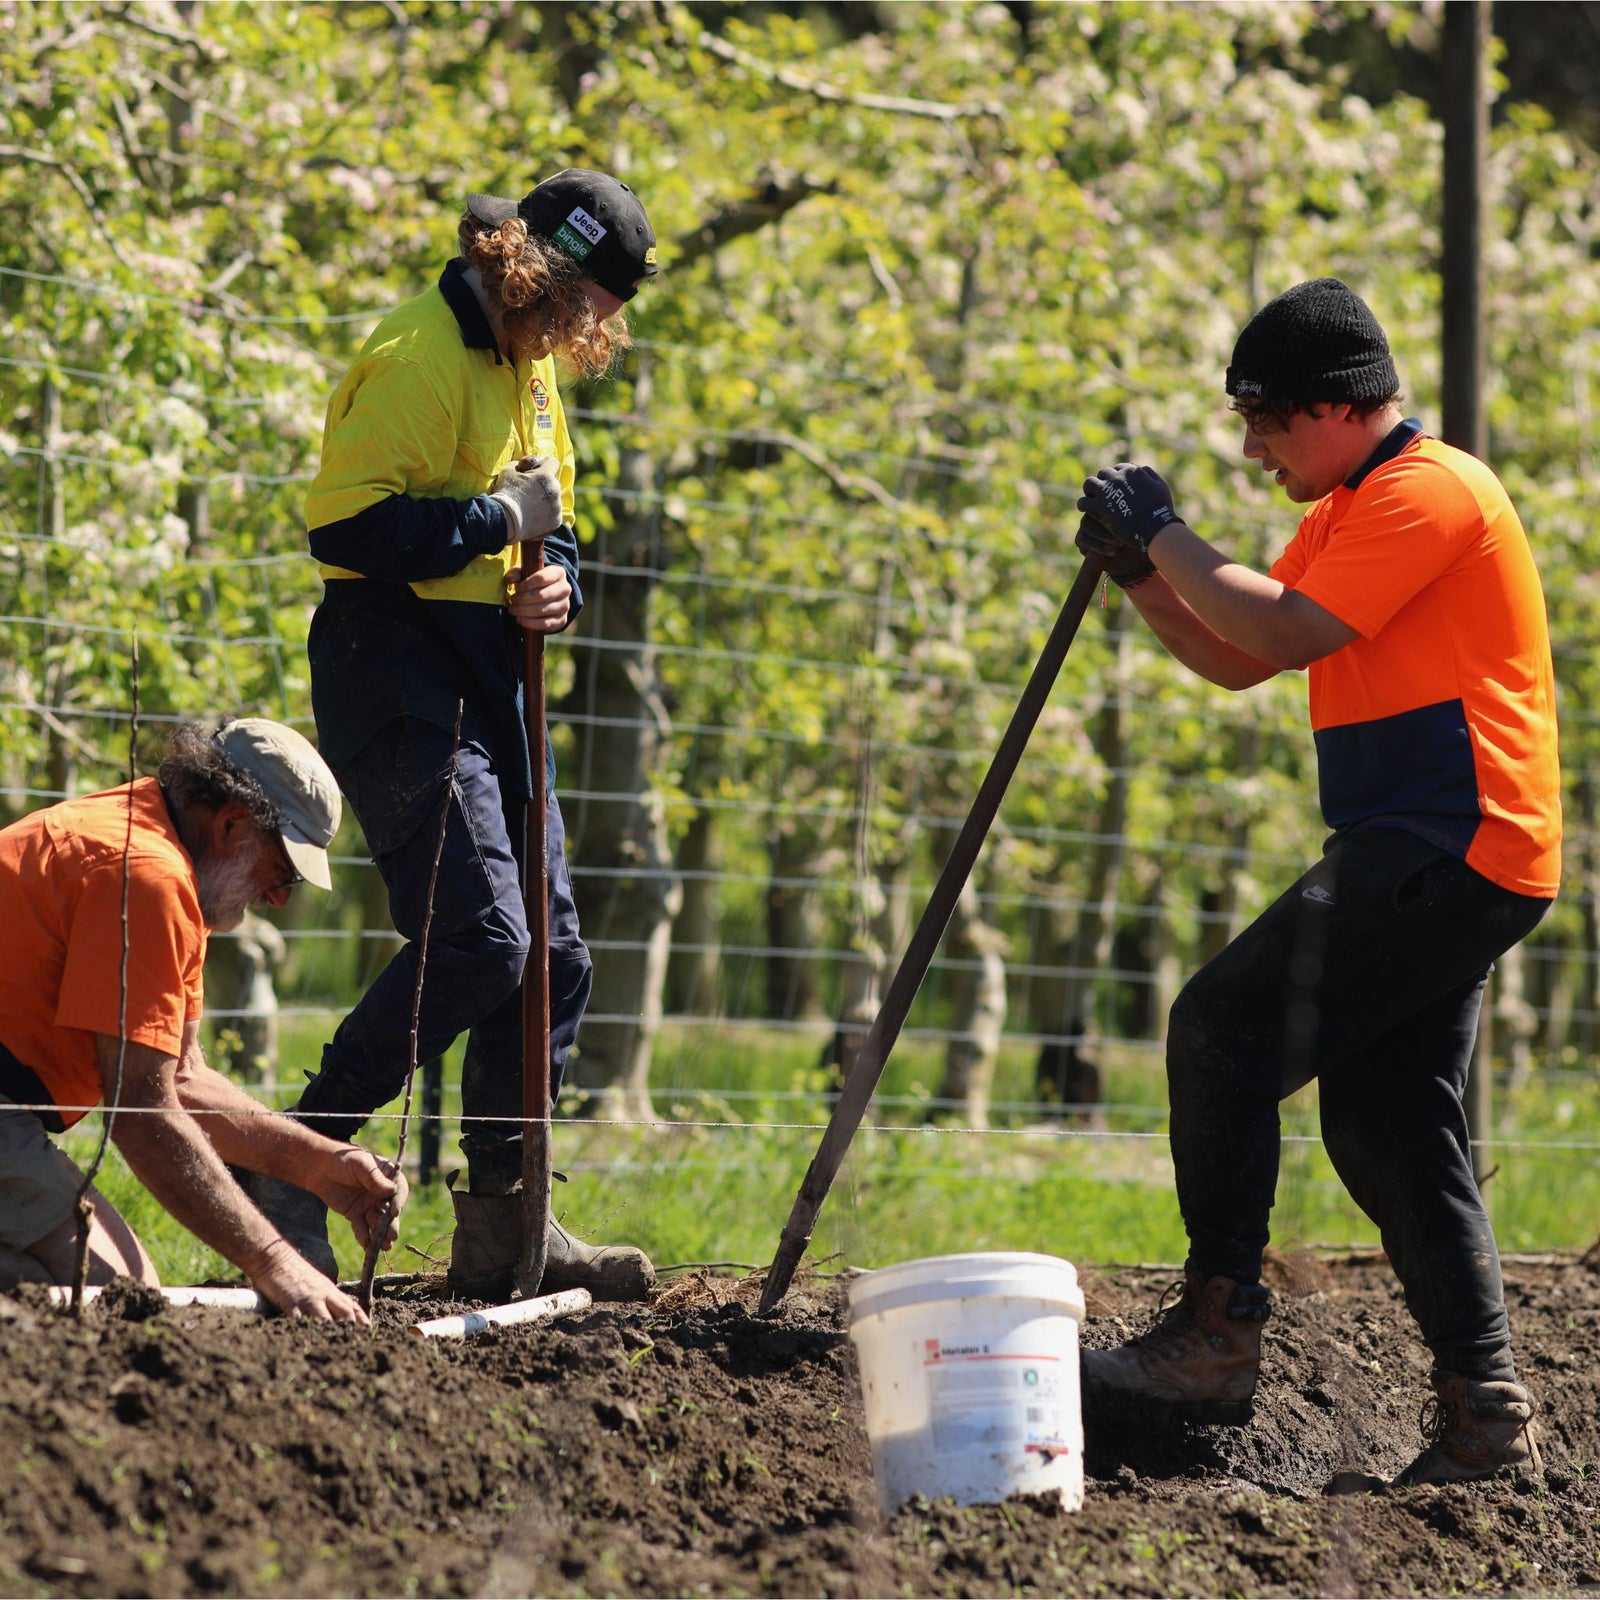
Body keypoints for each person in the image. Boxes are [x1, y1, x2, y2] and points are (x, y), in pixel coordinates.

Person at [1072, 278, 1561, 1488]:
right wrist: (1143, 572)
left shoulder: (1428, 489)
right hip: (1436, 845)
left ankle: (1214, 1337)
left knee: (1223, 1031)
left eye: (1264, 422)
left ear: (1335, 409)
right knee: (1387, 1122)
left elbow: (1283, 630)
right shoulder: (1348, 503)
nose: (1252, 449)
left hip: (1450, 836)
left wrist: (1172, 528)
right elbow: (1241, 654)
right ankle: (1484, 1414)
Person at [256, 170, 660, 1302]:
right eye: (593, 308)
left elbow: (554, 520)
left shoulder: (528, 367)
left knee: (557, 959)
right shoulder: (419, 355)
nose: (595, 335)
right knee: (487, 939)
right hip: (394, 673)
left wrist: (557, 583)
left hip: (489, 683)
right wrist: (496, 524)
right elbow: (341, 523)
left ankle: (505, 1229)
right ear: (546, 277)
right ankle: (297, 1158)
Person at [0, 718, 406, 1323]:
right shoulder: (147, 875)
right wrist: (274, 1258)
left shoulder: (159, 844)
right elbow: (142, 1112)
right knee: (117, 1304)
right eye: (284, 867)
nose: (278, 897)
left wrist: (323, 1166)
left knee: (117, 1297)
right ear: (232, 823)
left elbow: (180, 1078)